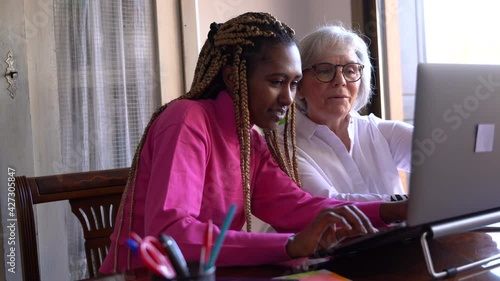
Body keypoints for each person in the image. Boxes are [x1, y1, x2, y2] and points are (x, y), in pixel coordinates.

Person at [100, 13, 407, 274]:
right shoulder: (187, 120)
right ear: (234, 78)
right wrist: (289, 244)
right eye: (276, 82)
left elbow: (297, 208)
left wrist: (390, 211)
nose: (288, 98)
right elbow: (172, 234)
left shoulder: (250, 141)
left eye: (294, 83)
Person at [289, 24, 413, 202]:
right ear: (299, 85)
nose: (340, 81)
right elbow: (331, 203)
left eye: (349, 70)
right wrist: (409, 204)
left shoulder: (381, 132)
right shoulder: (285, 147)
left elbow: (448, 159)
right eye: (324, 71)